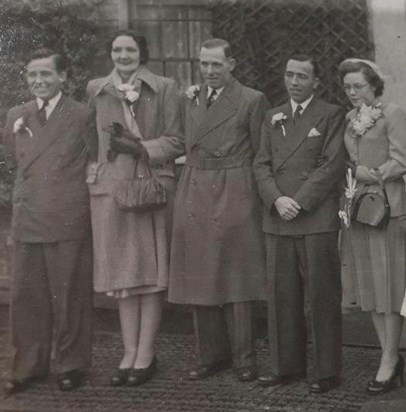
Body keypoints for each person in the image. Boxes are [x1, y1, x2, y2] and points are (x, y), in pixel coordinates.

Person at [86, 30, 183, 387]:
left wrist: (142, 149)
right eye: (116, 49)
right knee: (124, 277)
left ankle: (146, 353)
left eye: (130, 49)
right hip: (113, 192)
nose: (123, 55)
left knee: (151, 274)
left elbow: (177, 139)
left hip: (150, 187)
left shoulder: (165, 87)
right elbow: (88, 141)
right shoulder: (96, 89)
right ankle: (128, 352)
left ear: (142, 53)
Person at [168, 38, 269, 382]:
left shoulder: (252, 100)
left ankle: (245, 359)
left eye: (216, 64)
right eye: (204, 64)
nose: (210, 71)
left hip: (235, 188)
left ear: (232, 64)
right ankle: (211, 355)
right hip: (195, 187)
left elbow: (261, 154)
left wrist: (256, 198)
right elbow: (179, 140)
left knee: (237, 276)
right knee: (200, 273)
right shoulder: (189, 97)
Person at [2, 49, 96, 394]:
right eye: (32, 75)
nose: (38, 81)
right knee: (26, 296)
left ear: (63, 78)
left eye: (45, 74)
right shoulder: (17, 114)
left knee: (69, 294)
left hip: (67, 216)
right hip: (28, 216)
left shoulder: (82, 114)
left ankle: (71, 365)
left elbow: (95, 159)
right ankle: (28, 365)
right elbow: (15, 161)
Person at [253, 54, 345, 393]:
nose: (294, 81)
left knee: (322, 295)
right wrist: (277, 199)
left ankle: (326, 371)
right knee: (281, 296)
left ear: (315, 81)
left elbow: (331, 165)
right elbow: (260, 164)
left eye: (302, 76)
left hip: (315, 217)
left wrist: (299, 201)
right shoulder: (271, 115)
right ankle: (285, 366)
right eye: (290, 74)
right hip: (278, 216)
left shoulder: (332, 114)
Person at [338, 58, 406, 394]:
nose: (352, 92)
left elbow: (402, 158)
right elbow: (350, 162)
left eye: (359, 86)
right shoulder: (350, 120)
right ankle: (387, 354)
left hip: (388, 210)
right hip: (360, 210)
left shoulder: (392, 112)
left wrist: (373, 173)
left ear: (373, 85)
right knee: (371, 288)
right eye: (348, 87)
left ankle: (390, 359)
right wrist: (355, 173)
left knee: (389, 287)